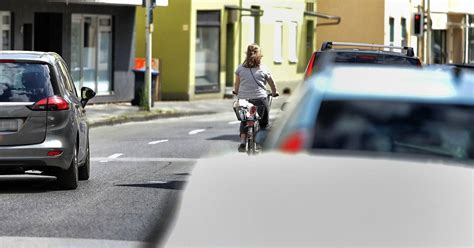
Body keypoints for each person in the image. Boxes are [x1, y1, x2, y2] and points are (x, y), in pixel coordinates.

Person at [233, 43, 279, 152]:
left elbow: (237, 84)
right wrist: (274, 92)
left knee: (244, 120)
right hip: (260, 99)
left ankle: (243, 143)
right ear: (260, 55)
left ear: (247, 54)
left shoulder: (240, 68)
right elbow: (272, 83)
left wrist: (236, 91)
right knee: (264, 123)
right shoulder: (263, 69)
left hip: (244, 99)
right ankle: (259, 144)